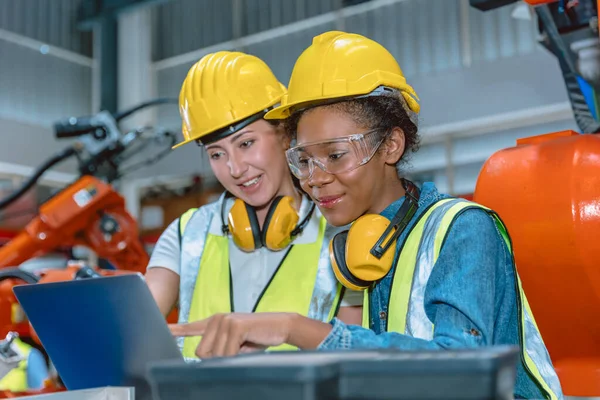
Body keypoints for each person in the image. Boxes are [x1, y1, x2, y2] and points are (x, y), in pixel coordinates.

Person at [169, 33, 564, 399]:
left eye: (336, 155)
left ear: (391, 145)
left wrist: (295, 329)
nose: (315, 179)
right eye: (304, 161)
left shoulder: (462, 228)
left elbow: (461, 369)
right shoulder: (366, 250)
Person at [145, 50, 362, 359]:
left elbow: (352, 352)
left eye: (246, 144)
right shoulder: (186, 233)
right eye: (217, 154)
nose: (234, 168)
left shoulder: (341, 231)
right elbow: (136, 328)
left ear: (286, 134)